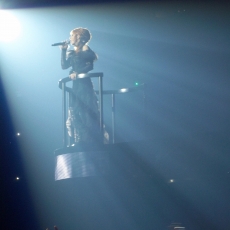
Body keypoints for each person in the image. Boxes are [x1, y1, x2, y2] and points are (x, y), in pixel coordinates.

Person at [60, 27, 101, 145]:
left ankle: (87, 139)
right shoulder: (74, 52)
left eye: (72, 35)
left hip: (84, 85)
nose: (70, 38)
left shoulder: (85, 48)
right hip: (76, 85)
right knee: (75, 110)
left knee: (84, 110)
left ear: (79, 36)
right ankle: (81, 138)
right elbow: (64, 66)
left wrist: (78, 73)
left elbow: (90, 66)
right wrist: (63, 50)